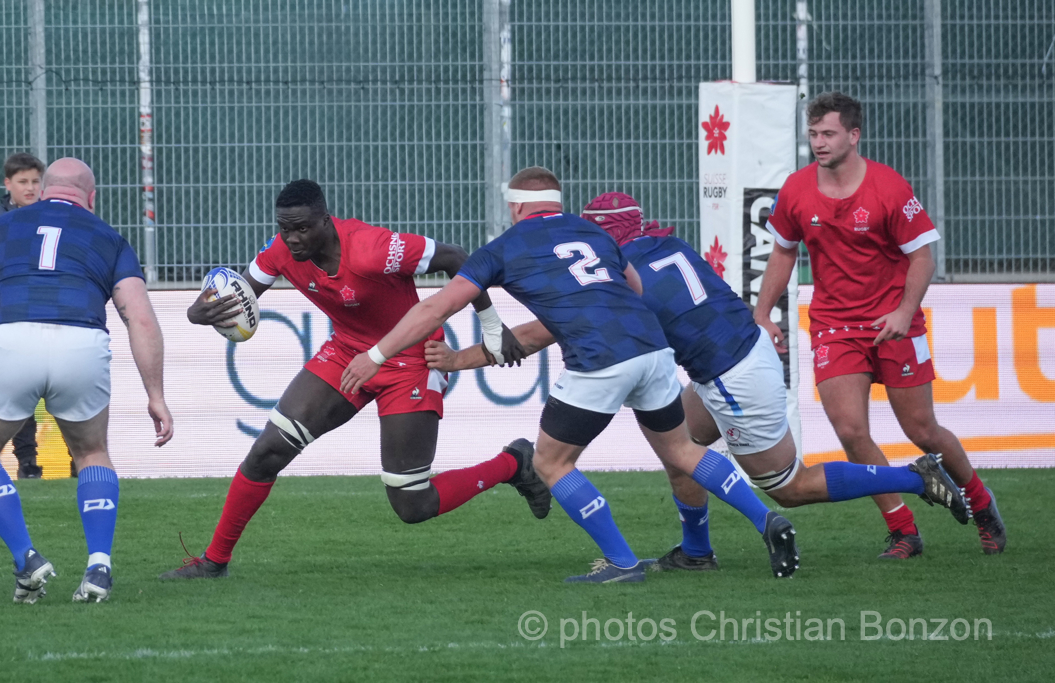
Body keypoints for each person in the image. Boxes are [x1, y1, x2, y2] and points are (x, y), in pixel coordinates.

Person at [425, 191, 970, 572]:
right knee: (677, 450)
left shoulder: (616, 273)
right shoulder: (663, 246)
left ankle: (914, 478)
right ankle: (696, 551)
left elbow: (538, 334)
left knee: (789, 486)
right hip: (729, 361)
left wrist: (457, 360)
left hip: (733, 374)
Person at [342, 167, 800, 583]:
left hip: (600, 359)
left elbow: (435, 308)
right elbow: (635, 286)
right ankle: (766, 519)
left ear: (515, 207)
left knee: (550, 462)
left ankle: (622, 563)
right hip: (654, 349)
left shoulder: (505, 246)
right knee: (682, 449)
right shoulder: (593, 233)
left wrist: (376, 355)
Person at [158, 179, 543, 581]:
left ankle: (513, 463)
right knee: (267, 452)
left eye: (302, 228)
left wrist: (492, 326)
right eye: (285, 228)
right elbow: (239, 297)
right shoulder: (280, 251)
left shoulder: (373, 248)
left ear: (326, 221)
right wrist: (198, 313)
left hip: (412, 359)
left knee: (412, 503)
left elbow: (456, 257)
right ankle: (214, 561)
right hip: (347, 352)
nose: (292, 238)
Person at [757, 91, 1006, 558]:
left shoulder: (889, 187)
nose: (818, 142)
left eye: (828, 133)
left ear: (854, 135)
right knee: (851, 432)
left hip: (896, 323)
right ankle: (904, 530)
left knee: (923, 430)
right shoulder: (796, 189)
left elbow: (923, 258)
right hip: (834, 325)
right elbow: (784, 251)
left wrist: (904, 312)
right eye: (813, 134)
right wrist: (762, 312)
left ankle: (981, 502)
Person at [0, 158, 173, 603]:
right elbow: (141, 320)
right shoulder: (109, 238)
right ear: (91, 197)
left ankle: (26, 559)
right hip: (81, 344)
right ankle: (99, 566)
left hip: (11, 339)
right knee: (92, 452)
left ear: (42, 190)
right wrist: (155, 395)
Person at [0, 152, 47, 479]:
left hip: (49, 314)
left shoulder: (53, 215)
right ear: (8, 184)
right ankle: (27, 463)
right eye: (23, 182)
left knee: (64, 393)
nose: (30, 188)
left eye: (35, 181)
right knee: (20, 394)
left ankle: (79, 459)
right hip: (10, 317)